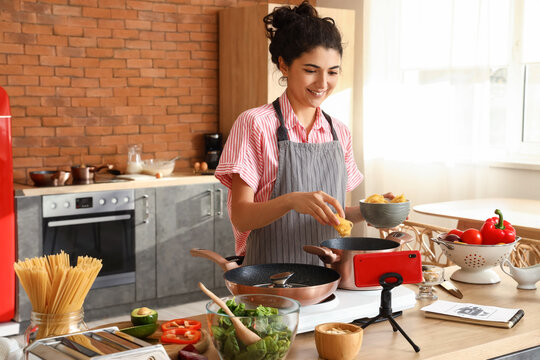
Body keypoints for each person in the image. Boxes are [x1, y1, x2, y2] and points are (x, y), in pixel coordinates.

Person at [215, 1, 364, 266]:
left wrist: (372, 211)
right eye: (310, 70)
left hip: (329, 277)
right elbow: (240, 216)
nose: (322, 83)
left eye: (332, 72)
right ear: (284, 66)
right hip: (269, 278)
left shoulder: (339, 132)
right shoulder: (255, 124)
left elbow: (338, 214)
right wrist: (291, 201)